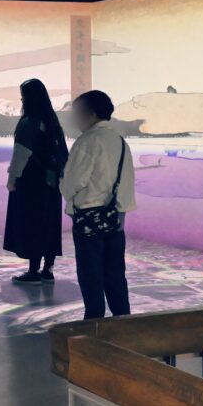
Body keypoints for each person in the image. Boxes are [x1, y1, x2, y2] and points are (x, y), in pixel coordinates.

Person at [60, 90, 136, 320]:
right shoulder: (120, 142)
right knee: (115, 274)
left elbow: (73, 182)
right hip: (115, 217)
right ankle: (124, 322)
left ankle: (93, 324)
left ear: (90, 114)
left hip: (88, 217)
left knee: (90, 274)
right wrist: (121, 211)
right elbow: (127, 181)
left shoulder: (87, 141)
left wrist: (65, 190)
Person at [4, 79, 68, 284]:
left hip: (31, 184)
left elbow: (20, 155)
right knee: (49, 224)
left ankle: (33, 271)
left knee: (32, 224)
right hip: (52, 184)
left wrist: (12, 179)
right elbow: (63, 156)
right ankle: (48, 270)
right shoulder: (52, 123)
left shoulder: (29, 123)